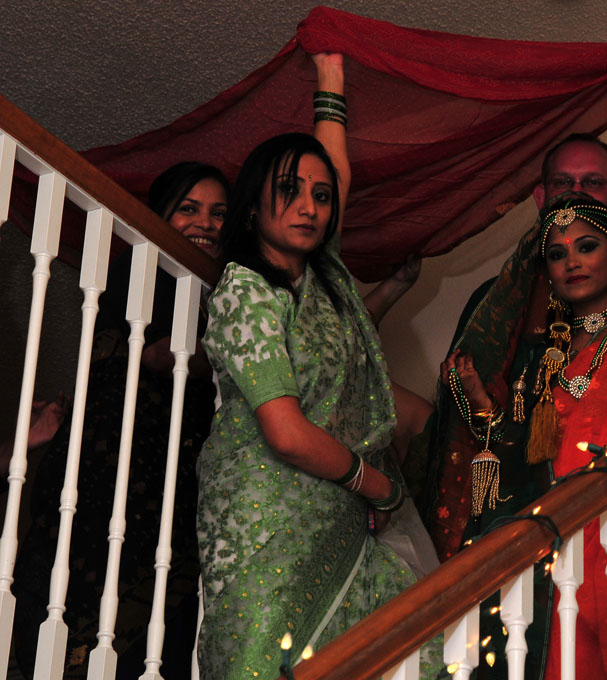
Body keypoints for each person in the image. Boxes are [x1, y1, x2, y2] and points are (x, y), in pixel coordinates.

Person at [195, 130, 442, 678]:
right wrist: (378, 486)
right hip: (263, 518)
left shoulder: (327, 287)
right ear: (252, 206)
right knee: (260, 662)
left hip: (339, 515)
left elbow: (338, 174)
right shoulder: (245, 289)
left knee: (411, 653)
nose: (308, 206)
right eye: (289, 189)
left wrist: (333, 85)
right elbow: (284, 432)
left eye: (322, 196)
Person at [430, 190, 607, 679]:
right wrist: (479, 399)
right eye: (557, 254)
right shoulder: (543, 360)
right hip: (558, 541)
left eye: (586, 246)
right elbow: (523, 454)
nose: (571, 261)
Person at [13, 161, 229, 678]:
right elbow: (160, 355)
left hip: (181, 492)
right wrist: (252, 343)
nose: (206, 223)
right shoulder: (138, 275)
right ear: (159, 218)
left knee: (164, 637)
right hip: (107, 485)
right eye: (189, 209)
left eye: (220, 213)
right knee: (80, 619)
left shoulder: (224, 293)